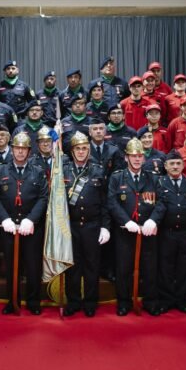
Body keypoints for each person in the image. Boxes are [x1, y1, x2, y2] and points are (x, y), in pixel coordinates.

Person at [0, 132, 49, 315]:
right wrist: (4, 218)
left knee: (33, 266)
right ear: (12, 149)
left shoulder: (37, 171)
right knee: (11, 266)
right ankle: (12, 300)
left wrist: (31, 219)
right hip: (8, 227)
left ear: (29, 151)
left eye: (24, 149)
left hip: (32, 228)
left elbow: (43, 197)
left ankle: (33, 301)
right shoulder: (1, 171)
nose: (20, 152)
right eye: (17, 148)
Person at [107, 138, 165, 316]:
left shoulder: (153, 178)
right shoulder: (117, 178)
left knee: (149, 268)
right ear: (126, 158)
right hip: (126, 232)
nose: (137, 159)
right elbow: (112, 202)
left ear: (144, 158)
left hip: (148, 231)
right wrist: (126, 221)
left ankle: (150, 301)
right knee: (123, 268)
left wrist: (153, 220)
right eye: (133, 156)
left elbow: (162, 201)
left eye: (140, 156)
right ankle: (124, 302)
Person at [62, 132, 111, 317]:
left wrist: (105, 226)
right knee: (72, 267)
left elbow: (106, 202)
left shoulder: (98, 170)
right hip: (71, 227)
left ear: (88, 150)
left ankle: (90, 302)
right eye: (77, 148)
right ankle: (73, 302)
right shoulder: (64, 170)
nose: (81, 152)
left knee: (92, 266)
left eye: (84, 148)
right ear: (72, 151)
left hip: (92, 226)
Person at [157, 150, 186, 314]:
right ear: (166, 167)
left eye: (178, 163)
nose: (175, 166)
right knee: (165, 267)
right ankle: (167, 300)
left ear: (183, 166)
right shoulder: (159, 183)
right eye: (172, 164)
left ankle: (182, 300)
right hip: (166, 233)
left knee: (185, 268)